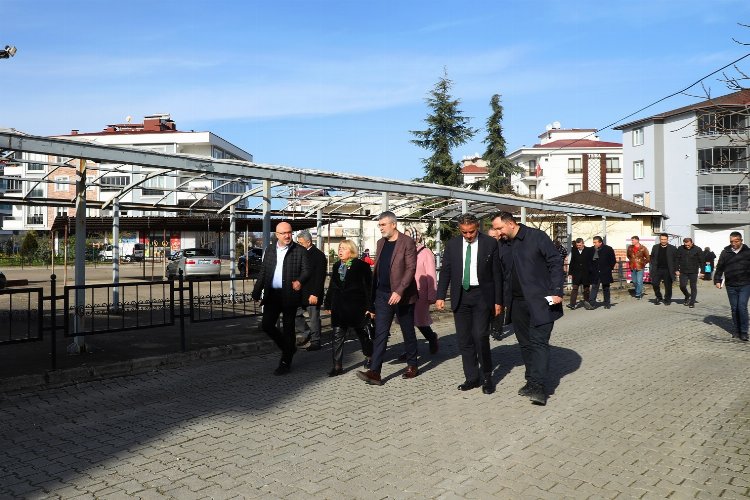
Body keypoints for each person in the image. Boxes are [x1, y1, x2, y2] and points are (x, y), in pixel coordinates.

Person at [492, 212, 564, 406]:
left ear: (511, 224)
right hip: (516, 304)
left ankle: (540, 388)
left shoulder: (536, 237)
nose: (498, 233)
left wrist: (557, 290)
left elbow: (555, 262)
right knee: (525, 344)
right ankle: (531, 381)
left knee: (539, 342)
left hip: (541, 301)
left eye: (500, 228)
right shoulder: (503, 244)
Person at [435, 214, 502, 395]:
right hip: (461, 296)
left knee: (480, 336)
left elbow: (497, 274)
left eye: (471, 232)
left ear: (477, 228)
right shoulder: (453, 245)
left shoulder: (490, 243)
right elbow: (446, 271)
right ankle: (472, 377)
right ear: (460, 230)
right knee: (464, 340)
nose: (469, 235)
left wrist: (498, 301)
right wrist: (440, 295)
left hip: (482, 295)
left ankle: (487, 376)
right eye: (465, 232)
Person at [356, 211, 419, 385]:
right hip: (383, 295)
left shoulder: (407, 242)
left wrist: (399, 291)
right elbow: (378, 269)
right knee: (381, 333)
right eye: (379, 225)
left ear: (393, 224)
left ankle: (412, 364)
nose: (380, 228)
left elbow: (411, 269)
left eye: (383, 224)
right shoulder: (380, 242)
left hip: (402, 295)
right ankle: (375, 372)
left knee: (407, 330)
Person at [251, 222, 310, 375]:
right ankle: (289, 348)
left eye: (289, 232)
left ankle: (285, 362)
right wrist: (256, 292)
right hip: (273, 295)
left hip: (290, 295)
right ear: (276, 235)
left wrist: (300, 281)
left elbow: (307, 270)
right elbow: (264, 272)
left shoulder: (300, 250)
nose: (287, 235)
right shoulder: (270, 250)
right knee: (267, 325)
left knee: (289, 327)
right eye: (283, 233)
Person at [323, 240, 374, 376]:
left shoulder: (361, 266)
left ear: (351, 251)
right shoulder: (337, 266)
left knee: (362, 335)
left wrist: (370, 308)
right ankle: (337, 366)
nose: (340, 250)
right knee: (337, 336)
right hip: (339, 307)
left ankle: (369, 356)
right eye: (339, 248)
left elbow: (368, 288)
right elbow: (333, 286)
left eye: (343, 248)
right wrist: (327, 303)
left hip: (357, 307)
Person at [400, 229, 439, 358]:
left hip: (421, 293)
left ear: (415, 238)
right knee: (407, 323)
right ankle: (410, 350)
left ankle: (432, 337)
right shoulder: (404, 252)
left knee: (420, 321)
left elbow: (431, 274)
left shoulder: (426, 252)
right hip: (406, 292)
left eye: (407, 236)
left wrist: (432, 295)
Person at [713, 232, 750, 341]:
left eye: (736, 241)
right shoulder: (726, 252)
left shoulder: (747, 252)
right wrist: (717, 280)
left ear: (741, 241)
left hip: (745, 284)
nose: (733, 244)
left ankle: (744, 331)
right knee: (734, 308)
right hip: (731, 285)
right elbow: (720, 267)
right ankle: (736, 330)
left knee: (742, 307)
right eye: (731, 241)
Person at [295, 230, 327, 351]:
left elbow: (320, 277)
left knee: (314, 318)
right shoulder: (300, 253)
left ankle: (315, 341)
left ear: (309, 242)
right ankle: (306, 332)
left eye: (301, 243)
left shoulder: (318, 255)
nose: (299, 245)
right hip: (300, 292)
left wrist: (315, 293)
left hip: (312, 293)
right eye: (298, 242)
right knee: (295, 314)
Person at [589, 236, 617, 309]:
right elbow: (589, 261)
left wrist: (609, 268)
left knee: (606, 288)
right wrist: (591, 269)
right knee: (594, 287)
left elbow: (613, 260)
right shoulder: (592, 249)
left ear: (600, 242)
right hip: (595, 272)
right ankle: (592, 303)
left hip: (605, 272)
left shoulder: (608, 249)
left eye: (595, 242)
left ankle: (607, 303)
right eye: (593, 242)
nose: (594, 244)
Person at [675, 237, 703, 308]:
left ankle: (692, 302)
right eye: (685, 245)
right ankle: (687, 295)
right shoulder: (680, 249)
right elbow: (677, 259)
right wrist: (676, 269)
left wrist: (702, 271)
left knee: (693, 286)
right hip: (683, 271)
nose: (687, 246)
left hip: (693, 271)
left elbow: (702, 261)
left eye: (688, 245)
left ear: (692, 243)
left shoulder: (697, 249)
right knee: (682, 286)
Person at [650, 233, 677, 305]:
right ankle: (658, 297)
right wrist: (653, 265)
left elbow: (676, 260)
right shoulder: (655, 247)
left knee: (668, 286)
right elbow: (652, 257)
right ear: (660, 239)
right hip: (657, 269)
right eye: (662, 239)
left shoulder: (672, 248)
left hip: (668, 270)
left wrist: (676, 269)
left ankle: (667, 299)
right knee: (654, 283)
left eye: (665, 239)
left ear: (667, 239)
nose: (663, 241)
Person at [567, 238, 594, 310]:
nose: (578, 246)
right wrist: (570, 272)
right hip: (576, 273)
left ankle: (587, 303)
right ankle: (572, 304)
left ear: (583, 243)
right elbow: (572, 262)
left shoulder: (588, 250)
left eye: (579, 245)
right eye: (577, 245)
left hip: (586, 273)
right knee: (575, 288)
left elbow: (592, 262)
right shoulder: (574, 250)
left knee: (586, 289)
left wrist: (591, 271)